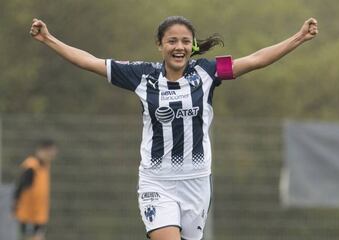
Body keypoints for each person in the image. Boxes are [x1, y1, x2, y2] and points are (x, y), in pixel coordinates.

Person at [28, 16, 318, 240]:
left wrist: (299, 37)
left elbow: (254, 60)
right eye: (171, 41)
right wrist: (49, 39)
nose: (178, 47)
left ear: (191, 46)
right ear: (160, 45)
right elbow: (91, 62)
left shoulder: (208, 72)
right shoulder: (140, 76)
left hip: (197, 182)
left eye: (184, 41)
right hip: (157, 182)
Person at [13, 139, 58, 240]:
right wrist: (15, 205)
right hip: (29, 213)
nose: (53, 155)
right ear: (43, 150)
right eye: (50, 152)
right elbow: (21, 187)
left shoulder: (45, 166)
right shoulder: (32, 166)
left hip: (39, 213)